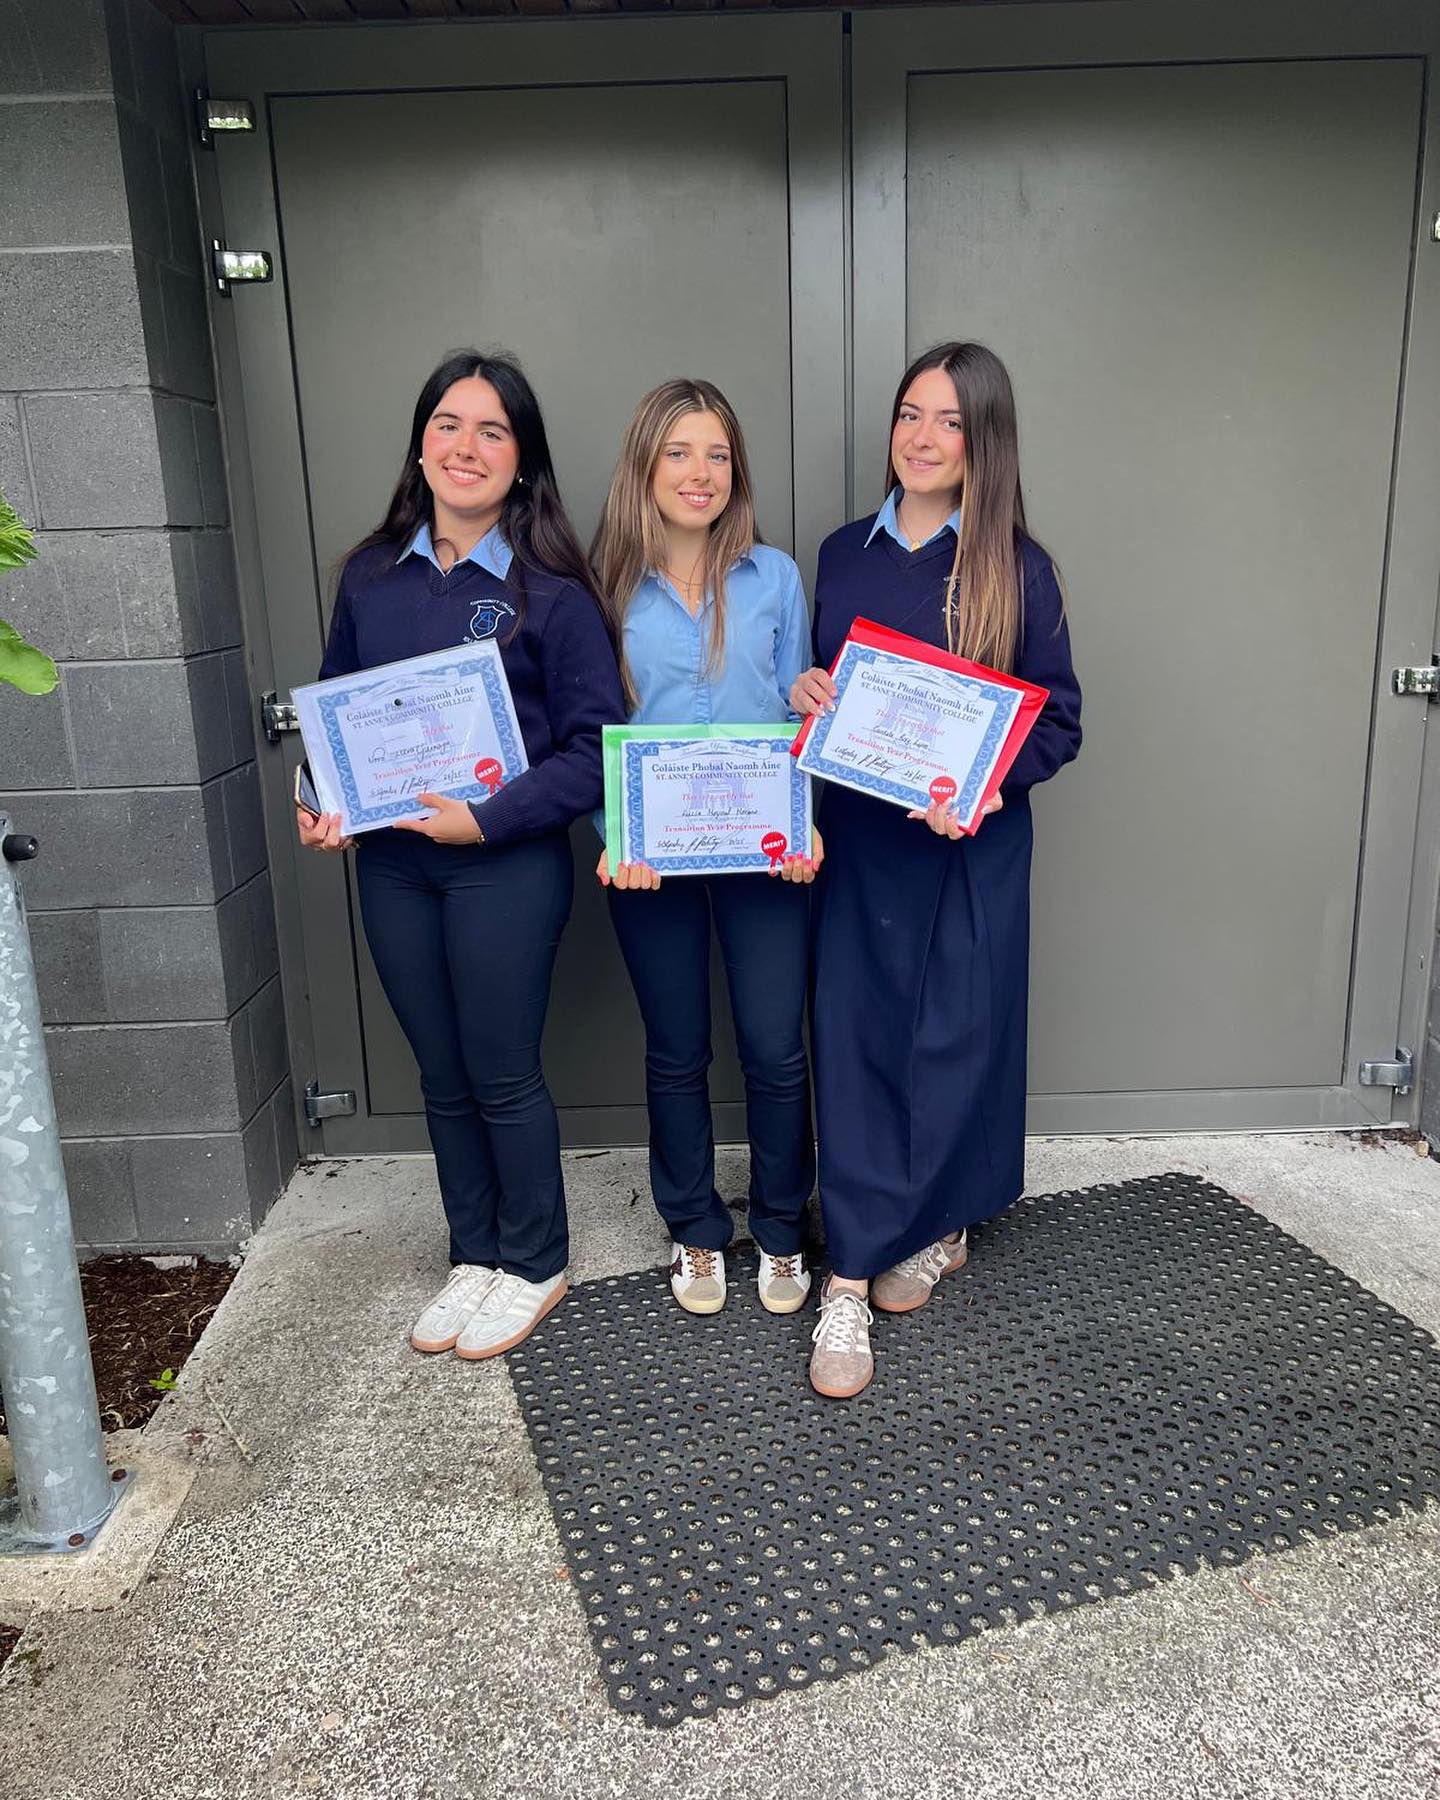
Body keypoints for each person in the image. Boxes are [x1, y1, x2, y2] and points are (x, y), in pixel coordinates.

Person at [297, 349, 624, 1361]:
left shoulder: (553, 595)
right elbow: (333, 713)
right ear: (421, 442)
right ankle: (474, 1254)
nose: (465, 446)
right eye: (448, 424)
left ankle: (536, 1261)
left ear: (521, 460)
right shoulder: (369, 574)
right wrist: (320, 799)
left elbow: (595, 752)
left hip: (503, 865)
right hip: (393, 866)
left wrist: (485, 819)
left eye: (492, 430)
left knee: (498, 1071)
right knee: (440, 1072)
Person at [792, 341, 1082, 1399]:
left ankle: (941, 1222)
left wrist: (996, 782)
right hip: (864, 847)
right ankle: (849, 1281)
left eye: (950, 422)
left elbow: (1059, 719)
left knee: (960, 1040)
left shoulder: (1020, 565)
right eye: (911, 415)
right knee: (862, 1041)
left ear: (984, 441)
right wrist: (812, 691)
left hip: (969, 848)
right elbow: (827, 681)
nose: (922, 438)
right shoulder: (841, 554)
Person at [591, 378, 819, 1318]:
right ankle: (693, 1229)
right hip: (650, 862)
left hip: (768, 856)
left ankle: (778, 1227)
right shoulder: (602, 590)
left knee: (775, 1049)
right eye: (679, 451)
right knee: (676, 1049)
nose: (700, 472)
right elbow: (589, 726)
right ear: (645, 464)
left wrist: (807, 827)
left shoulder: (776, 578)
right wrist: (615, 838)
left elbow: (798, 717)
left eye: (718, 453)